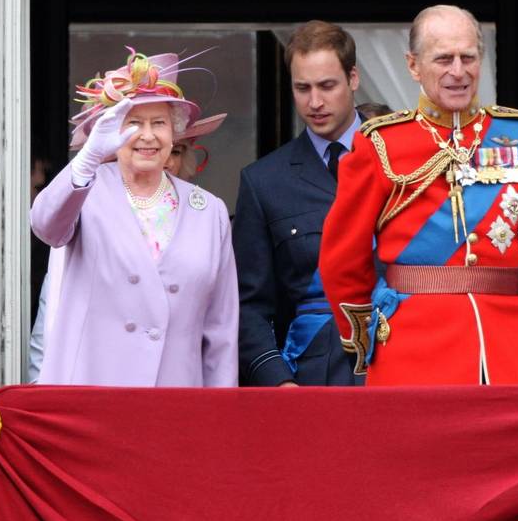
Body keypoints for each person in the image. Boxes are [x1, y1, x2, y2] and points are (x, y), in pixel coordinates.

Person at [319, 4, 518, 385]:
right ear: (414, 65)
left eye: (468, 57)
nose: (458, 71)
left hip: (508, 348)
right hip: (411, 348)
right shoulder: (380, 143)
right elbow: (343, 261)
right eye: (443, 59)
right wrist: (373, 337)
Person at [29, 49, 238, 386]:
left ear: (175, 133)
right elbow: (45, 225)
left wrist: (217, 416)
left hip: (175, 400)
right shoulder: (84, 192)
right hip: (94, 393)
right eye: (133, 123)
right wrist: (88, 158)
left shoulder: (209, 211)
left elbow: (221, 330)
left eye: (159, 123)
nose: (148, 136)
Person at [234, 21, 363, 386]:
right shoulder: (264, 181)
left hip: (401, 365)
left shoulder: (402, 157)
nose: (315, 102)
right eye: (302, 88)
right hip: (311, 376)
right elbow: (249, 304)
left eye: (327, 86)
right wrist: (278, 381)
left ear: (353, 78)